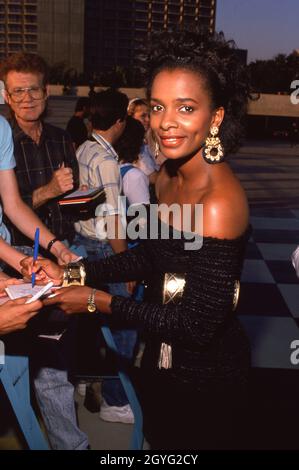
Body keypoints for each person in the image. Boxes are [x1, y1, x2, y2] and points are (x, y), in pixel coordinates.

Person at [23, 28, 252, 449]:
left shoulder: (220, 202)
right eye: (159, 107)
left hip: (205, 377)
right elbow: (147, 257)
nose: (167, 122)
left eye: (186, 107)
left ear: (215, 117)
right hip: (157, 359)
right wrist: (74, 270)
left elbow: (196, 326)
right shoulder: (166, 177)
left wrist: (94, 299)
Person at [0, 53, 89, 450]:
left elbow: (12, 207)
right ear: (7, 94)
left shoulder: (56, 137)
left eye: (33, 89)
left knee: (52, 353)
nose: (27, 98)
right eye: (18, 91)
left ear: (46, 91)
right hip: (17, 251)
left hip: (34, 253)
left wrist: (54, 248)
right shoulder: (9, 134)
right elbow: (17, 203)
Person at [73, 88, 136, 424]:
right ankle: (115, 400)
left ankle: (83, 380)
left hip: (82, 245)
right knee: (124, 321)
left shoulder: (84, 149)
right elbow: (114, 218)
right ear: (119, 121)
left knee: (87, 317)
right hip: (103, 248)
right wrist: (126, 265)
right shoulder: (108, 161)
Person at [128, 98, 160, 185]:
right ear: (131, 118)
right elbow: (153, 178)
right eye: (143, 116)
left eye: (149, 116)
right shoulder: (132, 145)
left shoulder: (142, 141)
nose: (148, 120)